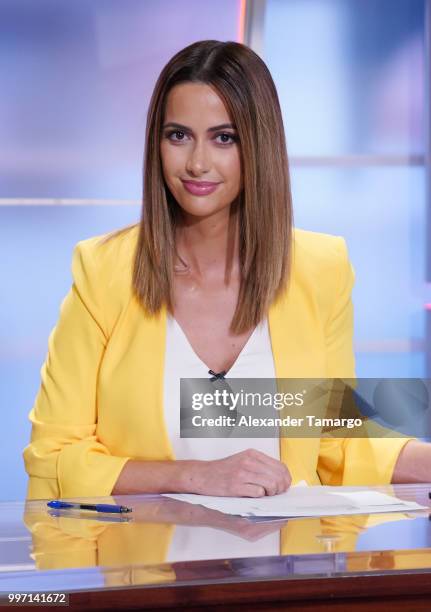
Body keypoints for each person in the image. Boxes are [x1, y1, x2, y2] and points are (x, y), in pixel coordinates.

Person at [23, 40, 429, 501]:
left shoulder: (319, 270)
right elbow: (54, 455)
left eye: (224, 138)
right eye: (178, 135)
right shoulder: (104, 271)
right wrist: (196, 476)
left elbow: (332, 442)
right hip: (145, 562)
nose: (197, 162)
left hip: (286, 569)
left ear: (259, 144)